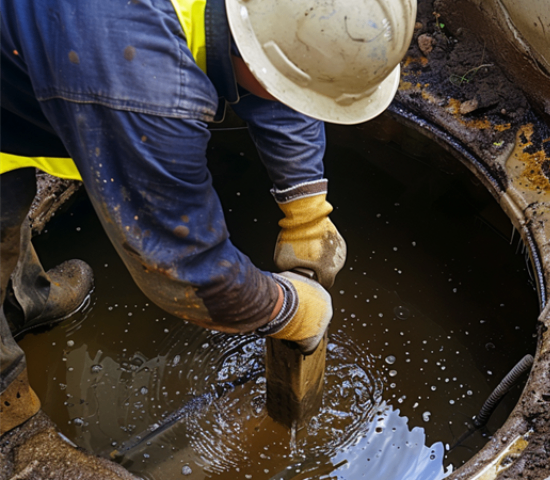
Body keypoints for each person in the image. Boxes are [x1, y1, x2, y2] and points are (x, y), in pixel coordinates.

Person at [0, 0, 416, 475]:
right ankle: (11, 430)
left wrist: (306, 210)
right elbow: (185, 271)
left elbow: (284, 79)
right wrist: (289, 311)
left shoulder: (261, 15)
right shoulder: (142, 83)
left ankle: (21, 302)